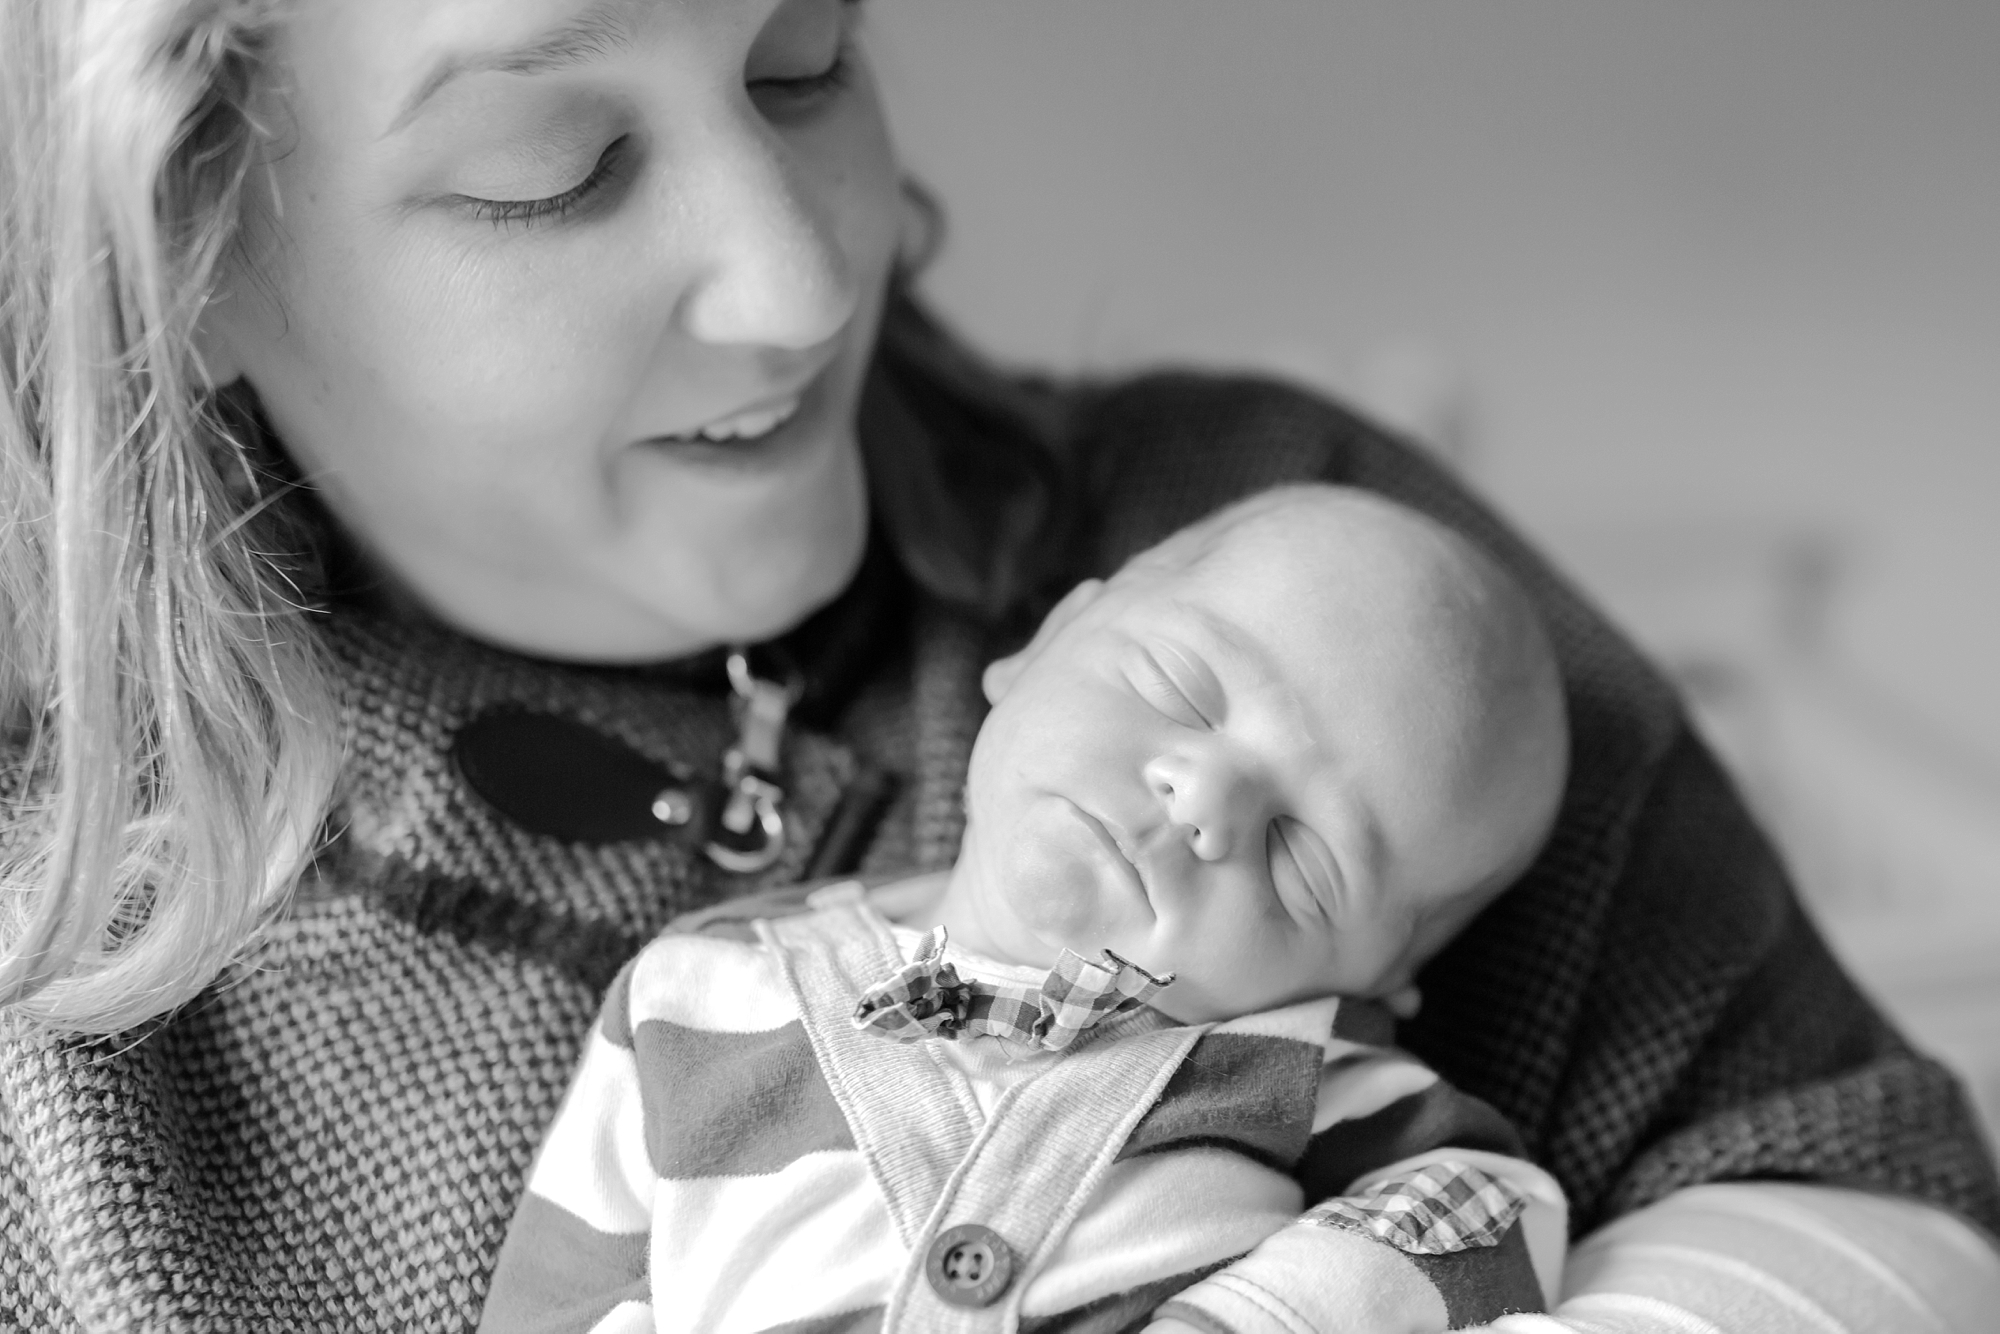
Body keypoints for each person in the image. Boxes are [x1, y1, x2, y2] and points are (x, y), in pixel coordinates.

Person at [0, 2, 1995, 1331]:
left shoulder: (1312, 564)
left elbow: (1850, 1182)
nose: (799, 278)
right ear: (184, 252)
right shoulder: (69, 1027)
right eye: (550, 171)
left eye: (802, 61)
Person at [479, 485, 1575, 1333]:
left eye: (1304, 857)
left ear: (1373, 976)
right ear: (1045, 642)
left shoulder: (1298, 1077)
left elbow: (1492, 1214)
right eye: (1177, 690)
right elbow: (562, 1290)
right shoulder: (701, 993)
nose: (1203, 800)